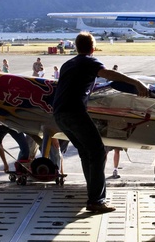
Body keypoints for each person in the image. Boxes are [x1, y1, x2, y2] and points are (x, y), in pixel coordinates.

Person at [52, 32, 148, 213]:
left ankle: (92, 194)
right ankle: (96, 200)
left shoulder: (67, 64)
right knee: (97, 151)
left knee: (85, 152)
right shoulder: (89, 61)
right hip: (74, 112)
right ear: (92, 48)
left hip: (59, 114)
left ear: (76, 46)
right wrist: (136, 82)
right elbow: (109, 74)